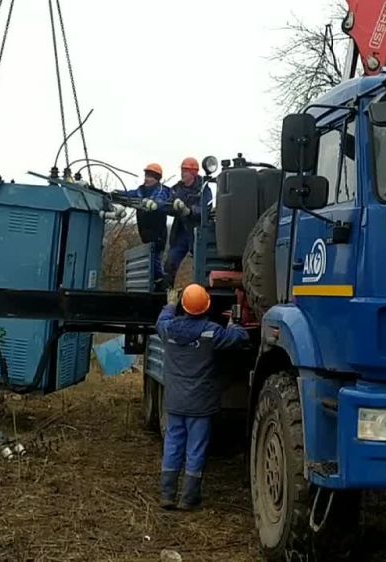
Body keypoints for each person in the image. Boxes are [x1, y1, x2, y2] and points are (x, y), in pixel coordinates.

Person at [156, 284, 248, 510]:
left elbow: (161, 321)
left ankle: (167, 494)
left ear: (183, 307)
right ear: (207, 306)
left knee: (173, 445)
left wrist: (169, 304)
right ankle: (189, 498)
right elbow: (240, 338)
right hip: (201, 404)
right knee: (195, 449)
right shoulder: (211, 332)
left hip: (175, 401)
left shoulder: (168, 329)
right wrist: (234, 322)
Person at [115, 163, 172, 289]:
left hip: (158, 235)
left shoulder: (162, 191)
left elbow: (163, 201)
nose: (146, 178)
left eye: (150, 176)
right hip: (145, 234)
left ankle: (163, 286)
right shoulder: (140, 191)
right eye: (146, 175)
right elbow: (129, 194)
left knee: (155, 260)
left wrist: (154, 204)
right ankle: (157, 284)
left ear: (156, 178)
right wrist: (115, 193)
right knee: (149, 262)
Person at [162, 157, 212, 287]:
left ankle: (202, 295)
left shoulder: (204, 188)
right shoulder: (177, 189)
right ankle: (167, 294)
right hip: (180, 233)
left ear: (194, 173)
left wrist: (190, 211)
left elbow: (206, 209)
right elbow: (167, 204)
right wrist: (165, 206)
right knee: (170, 264)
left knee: (203, 266)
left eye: (186, 170)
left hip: (197, 233)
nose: (182, 173)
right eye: (182, 170)